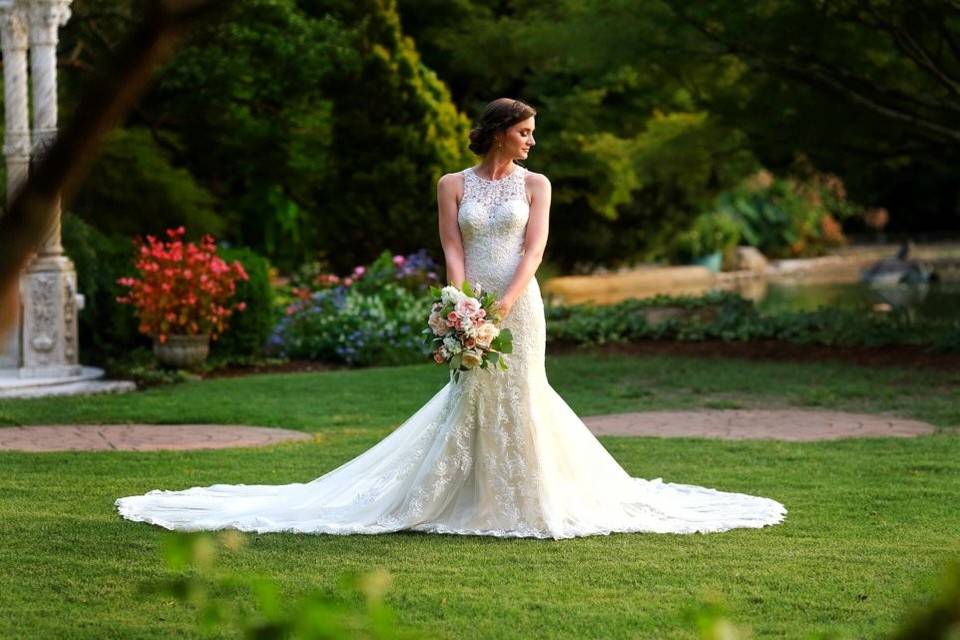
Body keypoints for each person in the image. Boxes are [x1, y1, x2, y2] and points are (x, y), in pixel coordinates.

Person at [116, 98, 787, 539]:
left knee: (522, 395)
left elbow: (536, 249)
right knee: (466, 399)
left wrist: (500, 307)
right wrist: (460, 306)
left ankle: (524, 500)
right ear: (498, 131)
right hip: (470, 301)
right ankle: (456, 496)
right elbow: (452, 246)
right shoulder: (451, 184)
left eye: (533, 134)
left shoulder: (536, 186)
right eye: (524, 132)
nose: (531, 142)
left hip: (521, 304)